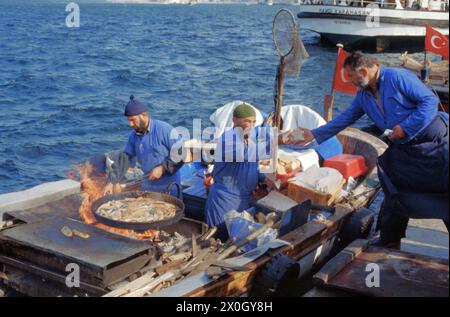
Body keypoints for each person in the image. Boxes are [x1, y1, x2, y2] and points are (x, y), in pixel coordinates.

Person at [297, 51, 449, 249]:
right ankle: (390, 238)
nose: (350, 81)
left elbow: (429, 101)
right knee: (393, 189)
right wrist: (315, 134)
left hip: (435, 144)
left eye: (351, 77)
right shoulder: (363, 96)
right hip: (407, 150)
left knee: (445, 191)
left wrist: (405, 128)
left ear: (362, 70)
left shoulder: (397, 76)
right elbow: (345, 118)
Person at [205, 103, 272, 241]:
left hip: (244, 201)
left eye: (253, 122)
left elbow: (252, 165)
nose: (251, 125)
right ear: (234, 120)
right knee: (218, 240)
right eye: (247, 121)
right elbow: (246, 155)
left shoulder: (250, 139)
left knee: (239, 241)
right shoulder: (227, 139)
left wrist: (263, 179)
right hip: (225, 202)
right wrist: (277, 140)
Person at [104, 95, 184, 196]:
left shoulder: (164, 129)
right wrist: (111, 182)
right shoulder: (133, 136)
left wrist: (162, 168)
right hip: (147, 189)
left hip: (169, 188)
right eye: (129, 121)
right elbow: (124, 159)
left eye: (133, 120)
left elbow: (181, 153)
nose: (130, 124)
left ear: (144, 115)